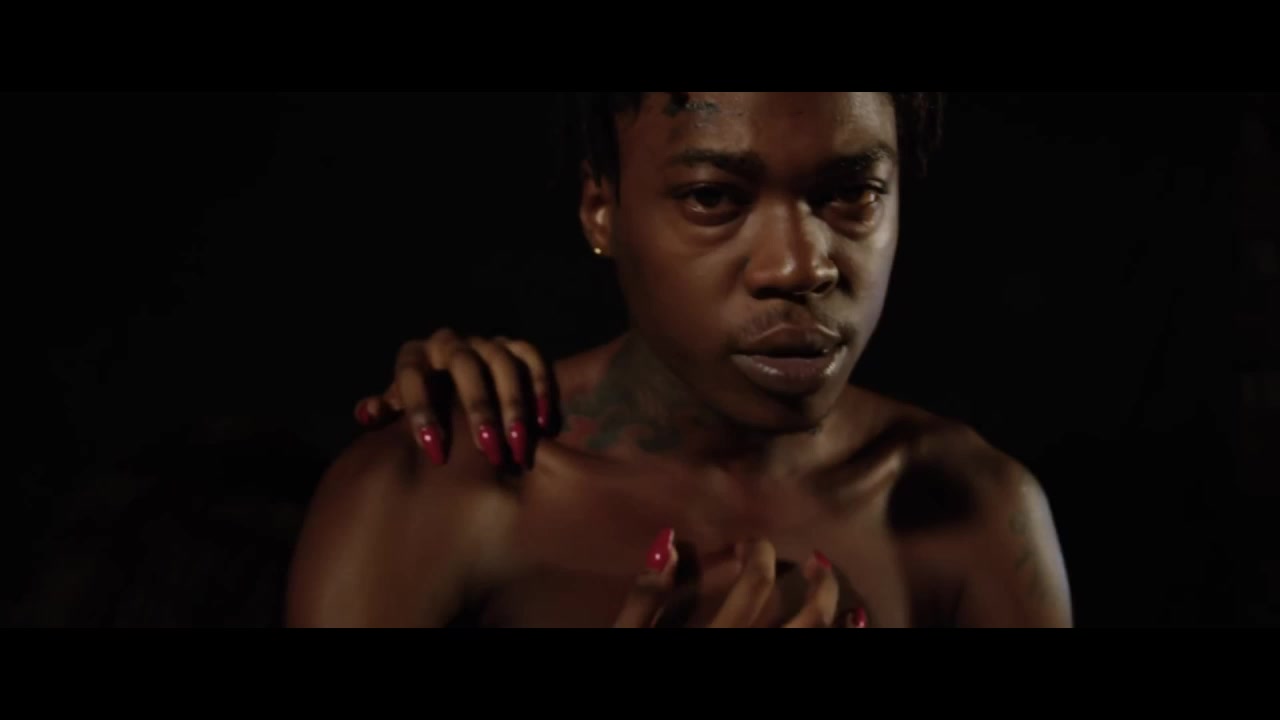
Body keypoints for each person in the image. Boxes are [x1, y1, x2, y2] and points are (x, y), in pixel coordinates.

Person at [286, 92, 1072, 628]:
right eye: (712, 198)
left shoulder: (974, 512)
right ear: (602, 209)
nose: (800, 266)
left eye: (853, 194)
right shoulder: (435, 497)